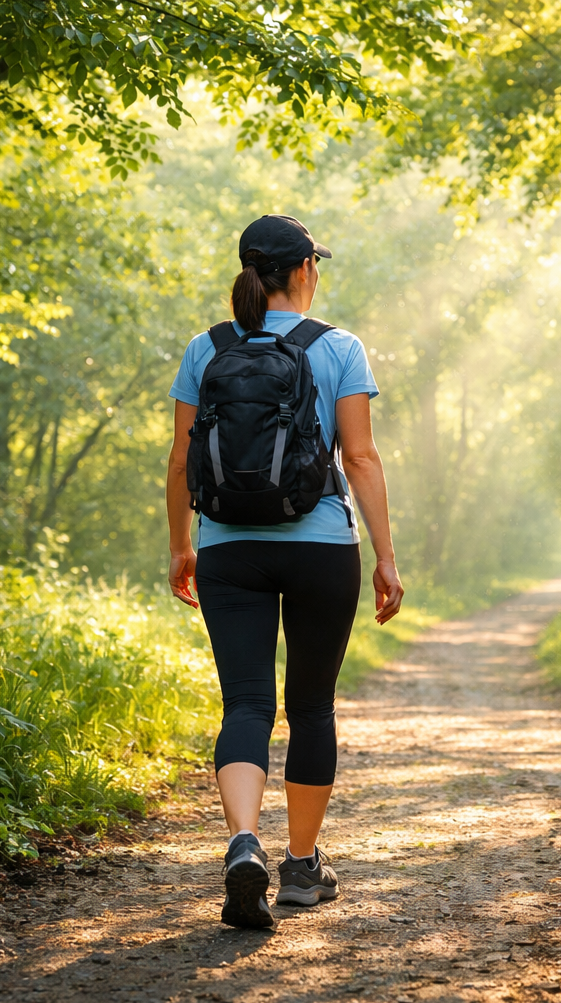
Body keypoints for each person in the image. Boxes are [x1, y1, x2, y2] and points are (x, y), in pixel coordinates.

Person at [165, 214, 404, 929]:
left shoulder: (203, 349)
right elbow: (359, 458)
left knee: (245, 706)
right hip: (321, 545)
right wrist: (387, 557)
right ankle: (301, 866)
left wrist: (182, 545)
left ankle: (245, 844)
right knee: (310, 708)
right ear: (303, 270)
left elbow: (181, 460)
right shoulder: (338, 347)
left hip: (227, 549)